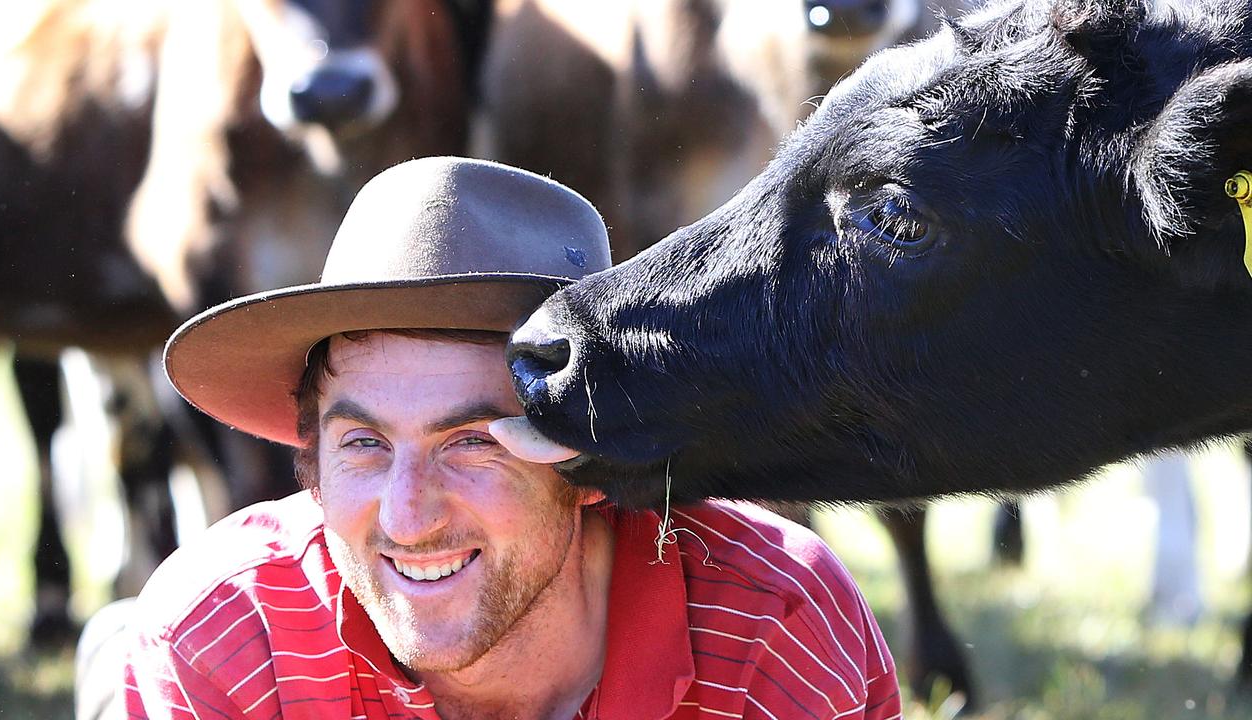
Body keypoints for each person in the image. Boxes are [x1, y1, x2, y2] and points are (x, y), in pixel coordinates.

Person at [114, 157, 902, 719]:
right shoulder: (220, 635)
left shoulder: (773, 626)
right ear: (310, 464)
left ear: (597, 462)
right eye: (364, 444)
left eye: (473, 443)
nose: (408, 515)